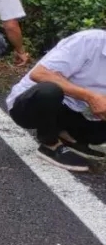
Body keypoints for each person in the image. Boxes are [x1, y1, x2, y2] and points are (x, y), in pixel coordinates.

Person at [6, 29, 106, 172]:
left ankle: (66, 136)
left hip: (74, 110)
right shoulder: (88, 41)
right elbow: (39, 74)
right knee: (50, 91)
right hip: (32, 104)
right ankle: (50, 144)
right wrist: (91, 97)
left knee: (98, 135)